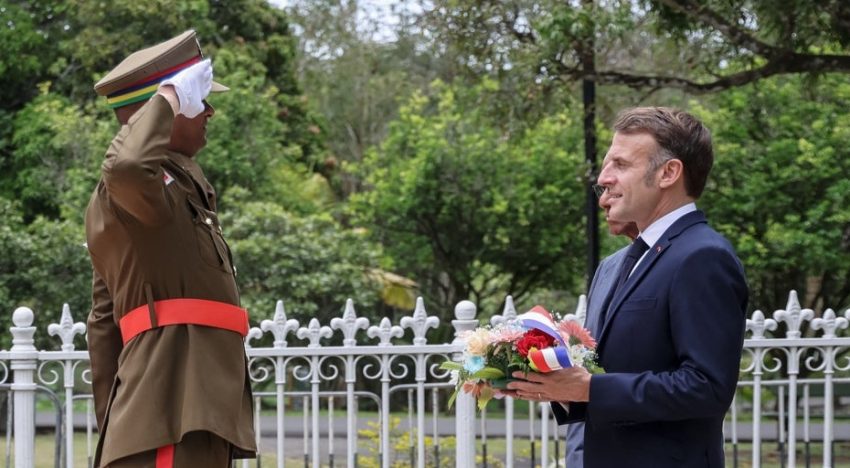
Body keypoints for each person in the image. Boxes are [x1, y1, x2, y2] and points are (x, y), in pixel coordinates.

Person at [508, 107, 748, 467]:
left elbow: (707, 387)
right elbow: (606, 378)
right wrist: (551, 385)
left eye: (620, 165)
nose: (603, 178)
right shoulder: (613, 266)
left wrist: (588, 388)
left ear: (668, 173)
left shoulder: (703, 256)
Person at [85, 30, 256, 467]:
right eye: (199, 98)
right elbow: (127, 165)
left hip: (186, 409)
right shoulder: (132, 191)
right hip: (170, 411)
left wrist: (120, 423)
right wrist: (170, 96)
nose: (209, 110)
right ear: (160, 110)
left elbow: (104, 324)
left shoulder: (174, 187)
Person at [564, 190, 638, 468]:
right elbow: (589, 364)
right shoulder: (608, 267)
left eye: (614, 191)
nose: (604, 201)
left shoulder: (693, 257)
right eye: (601, 190)